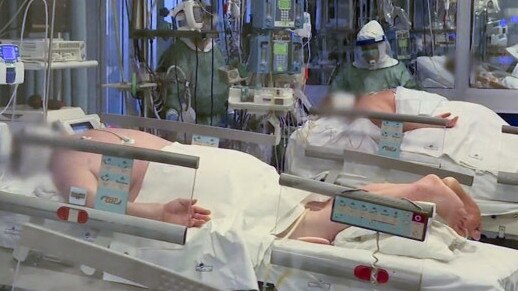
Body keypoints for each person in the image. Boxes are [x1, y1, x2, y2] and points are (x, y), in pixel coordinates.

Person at [49, 128, 480, 242]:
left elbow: (90, 203)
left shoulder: (63, 153)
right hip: (222, 164)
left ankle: (415, 199)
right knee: (303, 202)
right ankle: (414, 188)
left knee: (303, 227)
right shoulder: (110, 130)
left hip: (186, 177)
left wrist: (158, 213)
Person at [157, 0, 228, 125]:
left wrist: (231, 110)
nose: (209, 34)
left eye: (212, 29)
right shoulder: (179, 52)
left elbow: (225, 84)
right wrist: (172, 116)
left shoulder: (216, 52)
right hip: (190, 123)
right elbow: (173, 92)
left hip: (218, 121)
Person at [330, 20, 419, 96]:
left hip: (390, 114)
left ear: (382, 47)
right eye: (365, 49)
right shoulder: (350, 73)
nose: (369, 53)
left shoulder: (396, 71)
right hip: (358, 115)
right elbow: (333, 97)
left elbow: (414, 95)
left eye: (373, 48)